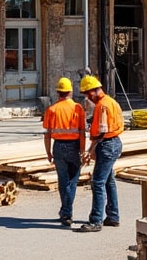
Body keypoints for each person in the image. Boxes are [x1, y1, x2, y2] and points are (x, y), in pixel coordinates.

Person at [76, 75, 122, 233]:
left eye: (89, 94)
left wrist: (90, 149)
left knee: (97, 182)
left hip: (107, 144)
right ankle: (113, 216)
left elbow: (102, 132)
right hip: (114, 142)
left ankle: (96, 220)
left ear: (96, 90)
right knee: (108, 180)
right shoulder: (111, 101)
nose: (88, 98)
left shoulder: (102, 106)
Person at [42, 77, 86, 227]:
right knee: (72, 180)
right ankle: (67, 211)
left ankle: (66, 211)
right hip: (73, 146)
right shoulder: (78, 108)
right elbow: (82, 133)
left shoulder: (52, 110)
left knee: (63, 180)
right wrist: (82, 150)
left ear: (58, 92)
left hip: (58, 146)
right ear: (70, 92)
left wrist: (48, 152)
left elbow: (47, 134)